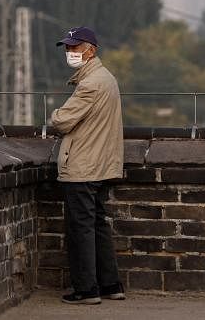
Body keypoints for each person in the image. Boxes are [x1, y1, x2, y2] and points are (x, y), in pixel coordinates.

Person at [49, 26, 125, 305]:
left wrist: (55, 113)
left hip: (83, 165)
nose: (70, 53)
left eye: (74, 47)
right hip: (101, 164)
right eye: (68, 48)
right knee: (97, 225)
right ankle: (110, 284)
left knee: (80, 228)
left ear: (90, 50)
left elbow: (61, 121)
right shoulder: (107, 79)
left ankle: (87, 289)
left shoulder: (91, 83)